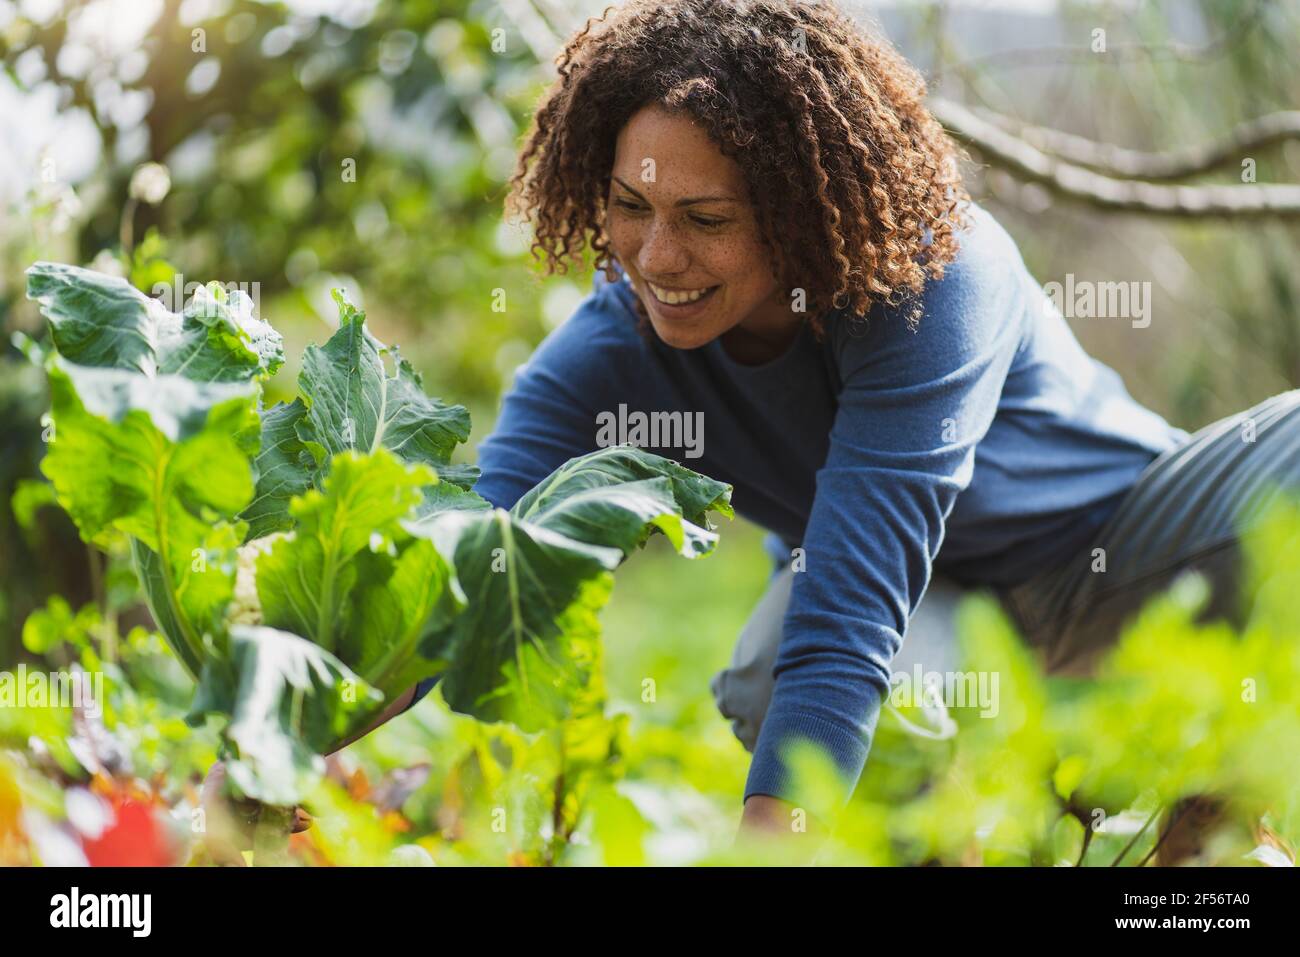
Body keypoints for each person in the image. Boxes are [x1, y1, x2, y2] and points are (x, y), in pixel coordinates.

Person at [203, 0, 1300, 856]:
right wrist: (272, 736)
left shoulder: (933, 277)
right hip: (958, 631)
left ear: (801, 209)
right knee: (774, 674)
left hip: (1131, 550)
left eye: (706, 219)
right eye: (630, 209)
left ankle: (1225, 781)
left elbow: (850, 610)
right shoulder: (610, 347)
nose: (656, 259)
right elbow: (456, 560)